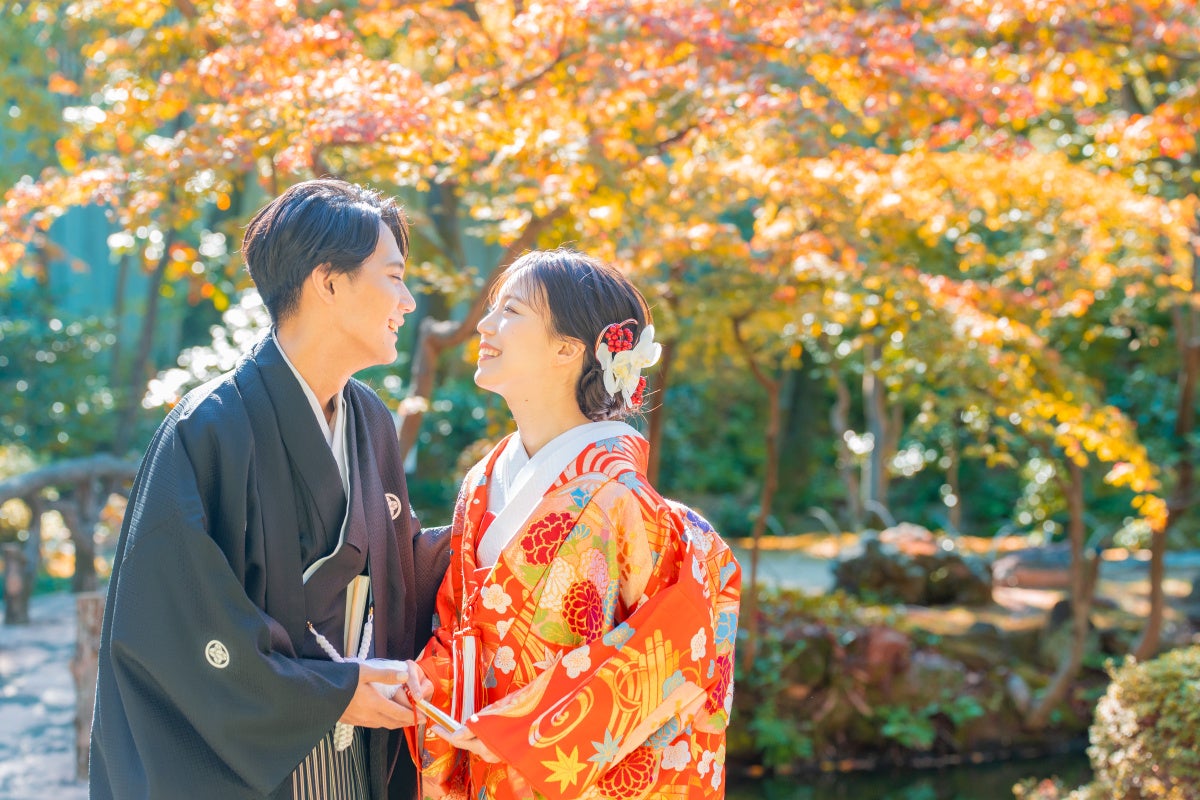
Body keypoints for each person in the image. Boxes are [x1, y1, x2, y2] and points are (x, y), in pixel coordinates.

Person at [90, 179, 441, 800]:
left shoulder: (371, 421)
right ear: (328, 283)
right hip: (253, 766)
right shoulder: (210, 427)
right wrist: (328, 693)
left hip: (356, 757)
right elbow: (177, 626)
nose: (407, 301)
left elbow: (401, 567)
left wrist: (509, 518)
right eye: (393, 277)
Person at [406, 249, 741, 799]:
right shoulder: (483, 481)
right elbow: (459, 626)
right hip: (480, 757)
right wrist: (423, 684)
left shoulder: (619, 496)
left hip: (565, 775)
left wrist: (524, 729)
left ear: (567, 349)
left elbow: (671, 649)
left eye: (510, 311)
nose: (484, 325)